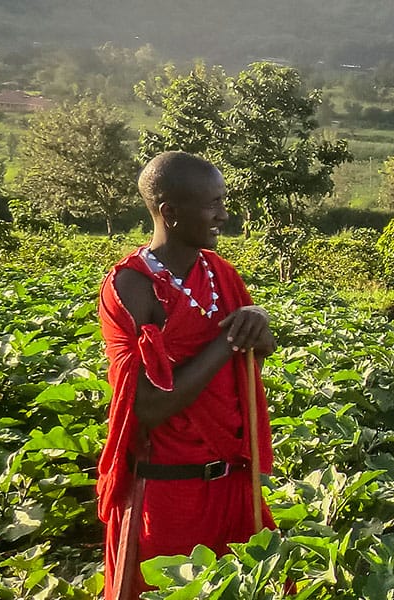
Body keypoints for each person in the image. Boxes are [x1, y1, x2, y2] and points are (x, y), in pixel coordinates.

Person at [98, 151, 276, 600]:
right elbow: (147, 405)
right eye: (212, 204)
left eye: (223, 202)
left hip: (231, 483)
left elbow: (255, 354)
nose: (223, 215)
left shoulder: (219, 273)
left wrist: (256, 323)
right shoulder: (130, 287)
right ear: (171, 213)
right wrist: (227, 341)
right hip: (167, 494)